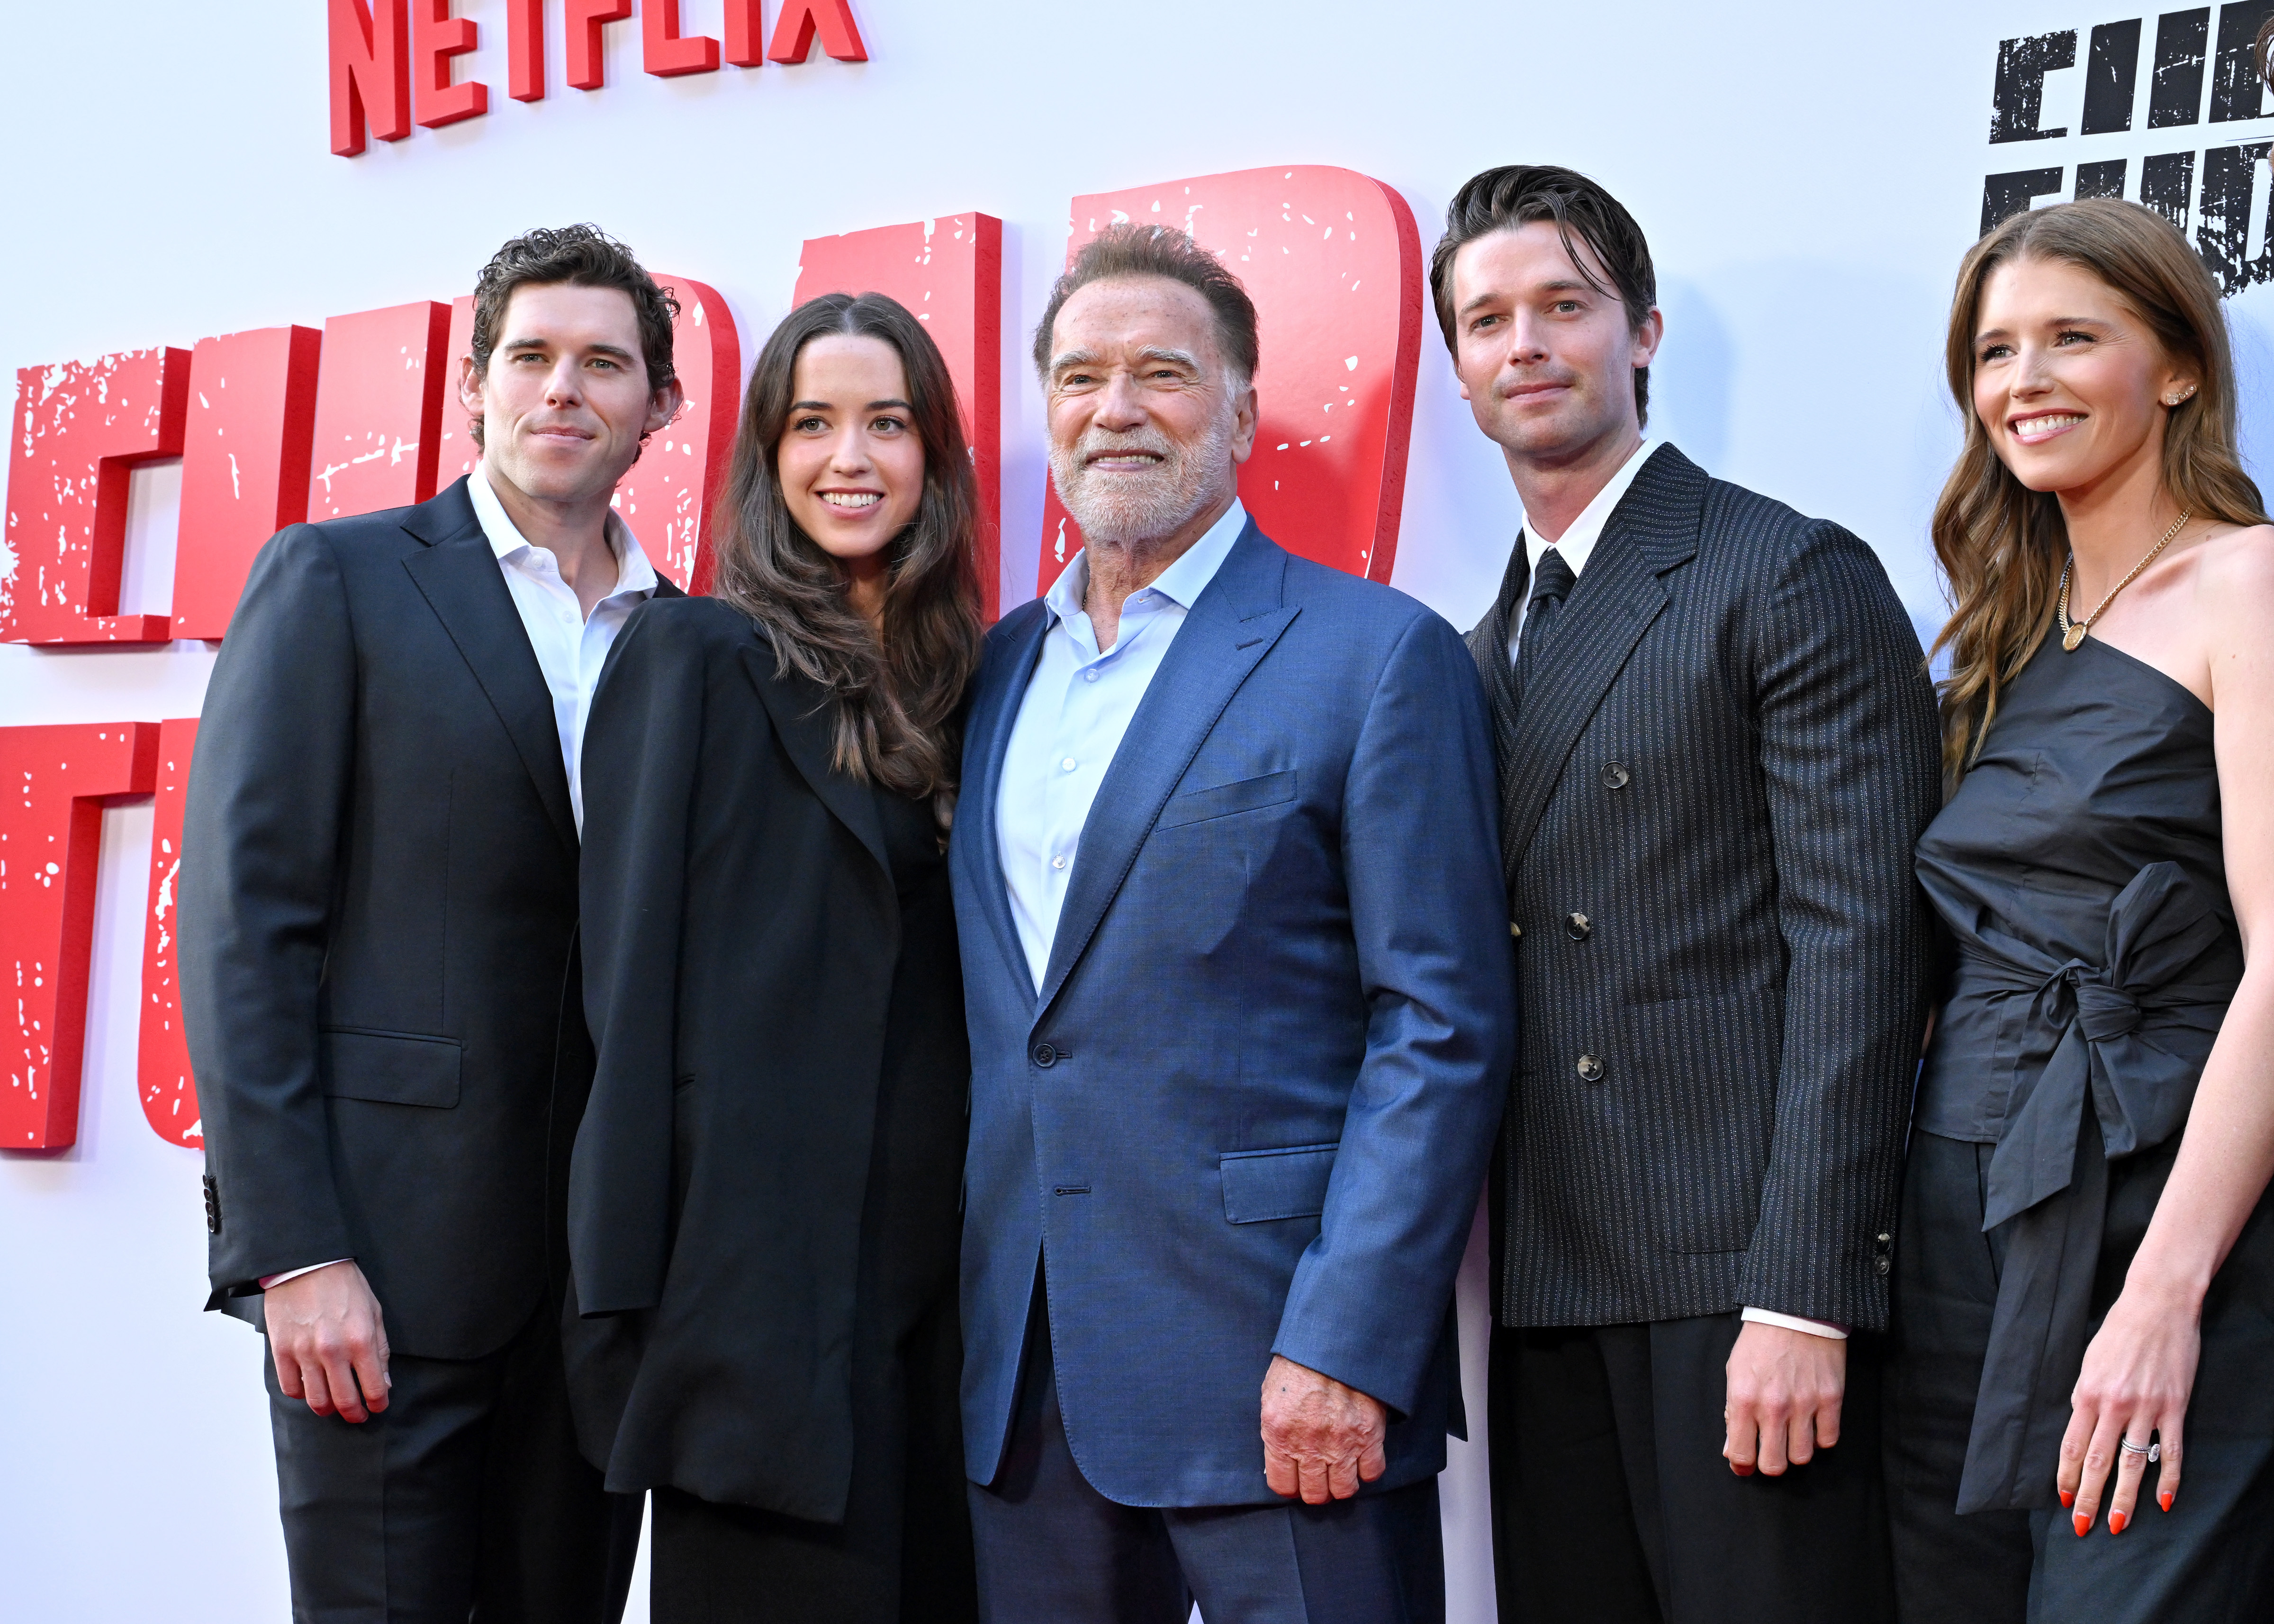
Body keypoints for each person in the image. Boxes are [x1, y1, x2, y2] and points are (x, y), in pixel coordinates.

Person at [949, 222, 1513, 1624]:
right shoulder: (996, 670)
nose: (1117, 409)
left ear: (1245, 410)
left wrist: (1347, 1341)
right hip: (1027, 1380)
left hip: (1285, 1373)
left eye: (1164, 373)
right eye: (1080, 378)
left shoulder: (1376, 654)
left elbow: (1440, 1026)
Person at [1435, 164, 1943, 1623]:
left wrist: (1806, 1293)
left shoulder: (1782, 570)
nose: (1526, 344)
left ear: (1644, 332)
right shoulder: (1471, 652)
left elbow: (1865, 951)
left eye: (1564, 305)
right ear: (1458, 370)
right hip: (1547, 1282)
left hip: (1743, 1284)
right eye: (1487, 321)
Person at [180, 223, 680, 1621]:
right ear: (476, 384)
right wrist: (292, 1251)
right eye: (530, 356)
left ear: (659, 403)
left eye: (604, 363)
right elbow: (242, 934)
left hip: (601, 1304)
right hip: (381, 1285)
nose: (562, 388)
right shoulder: (336, 580)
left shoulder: (689, 639)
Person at [564, 291, 985, 1624]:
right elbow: (624, 1000)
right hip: (753, 1325)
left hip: (949, 1313)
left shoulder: (981, 683)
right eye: (812, 424)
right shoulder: (691, 655)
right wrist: (623, 1308)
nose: (849, 459)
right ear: (766, 453)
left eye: (887, 424)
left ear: (934, 456)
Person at [1883, 197, 2274, 1620]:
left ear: (2177, 367)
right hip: (1957, 1218)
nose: (2024, 381)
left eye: (2071, 338)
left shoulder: (2248, 584)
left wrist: (2166, 1295)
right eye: (1996, 352)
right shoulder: (1999, 633)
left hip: (2153, 1204)